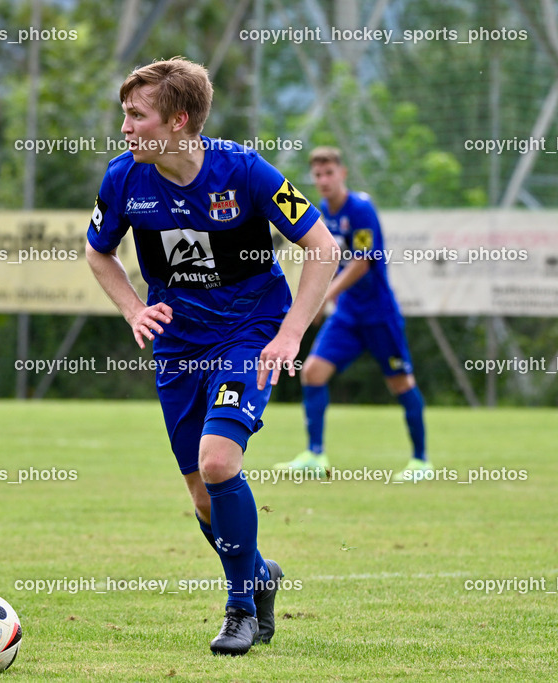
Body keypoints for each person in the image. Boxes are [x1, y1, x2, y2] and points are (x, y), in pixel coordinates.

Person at [85, 58, 339, 656]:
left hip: (249, 335)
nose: (125, 128)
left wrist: (290, 333)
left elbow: (322, 248)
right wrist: (133, 309)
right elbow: (99, 253)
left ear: (177, 122)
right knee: (202, 496)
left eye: (136, 116)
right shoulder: (124, 179)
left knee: (219, 462)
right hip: (177, 345)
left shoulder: (246, 171)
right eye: (124, 115)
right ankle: (257, 574)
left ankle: (239, 608)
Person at [274, 147, 430, 482]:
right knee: (312, 372)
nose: (324, 180)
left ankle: (421, 461)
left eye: (329, 172)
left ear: (342, 173)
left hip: (378, 314)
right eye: (317, 175)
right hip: (347, 315)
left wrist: (324, 296)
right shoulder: (321, 214)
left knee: (401, 383)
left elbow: (363, 261)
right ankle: (315, 455)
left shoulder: (360, 209)